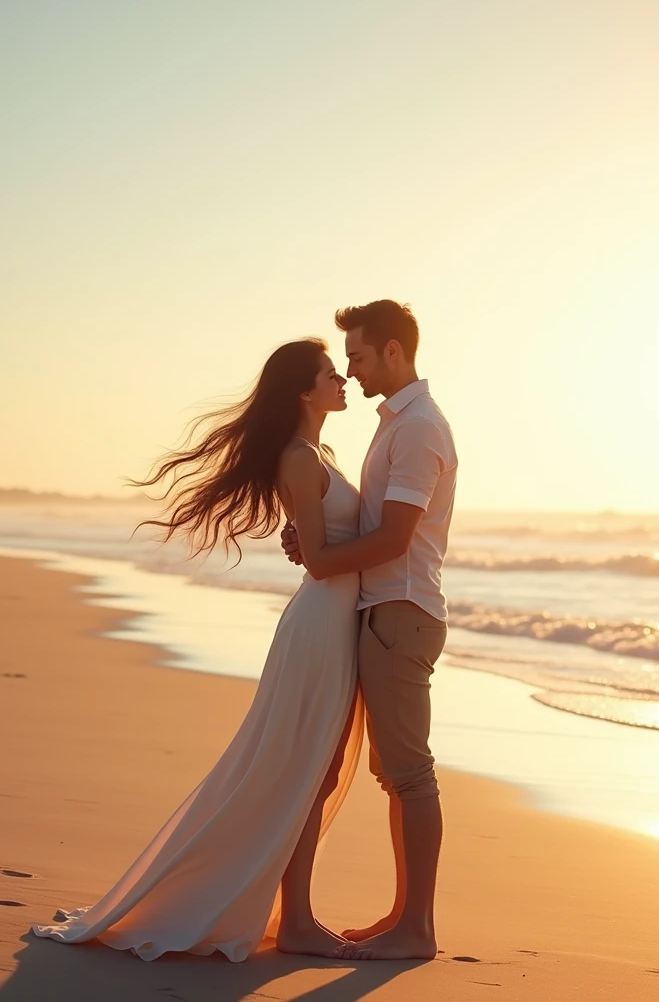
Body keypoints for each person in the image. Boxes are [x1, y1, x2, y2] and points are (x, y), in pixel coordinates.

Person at [31, 337, 368, 962]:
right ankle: (297, 920)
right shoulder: (300, 457)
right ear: (303, 390)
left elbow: (318, 544)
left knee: (311, 774)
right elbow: (320, 563)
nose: (342, 379)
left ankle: (294, 915)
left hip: (333, 623)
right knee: (299, 771)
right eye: (330, 374)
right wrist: (394, 546)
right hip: (320, 625)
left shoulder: (321, 451)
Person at [281, 300, 458, 961]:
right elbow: (371, 527)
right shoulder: (394, 423)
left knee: (411, 776)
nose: (349, 371)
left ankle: (416, 928)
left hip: (401, 614)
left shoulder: (418, 429)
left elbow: (397, 536)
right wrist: (313, 536)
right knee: (397, 775)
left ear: (391, 351)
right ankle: (402, 917)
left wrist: (324, 558)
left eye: (355, 356)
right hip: (381, 612)